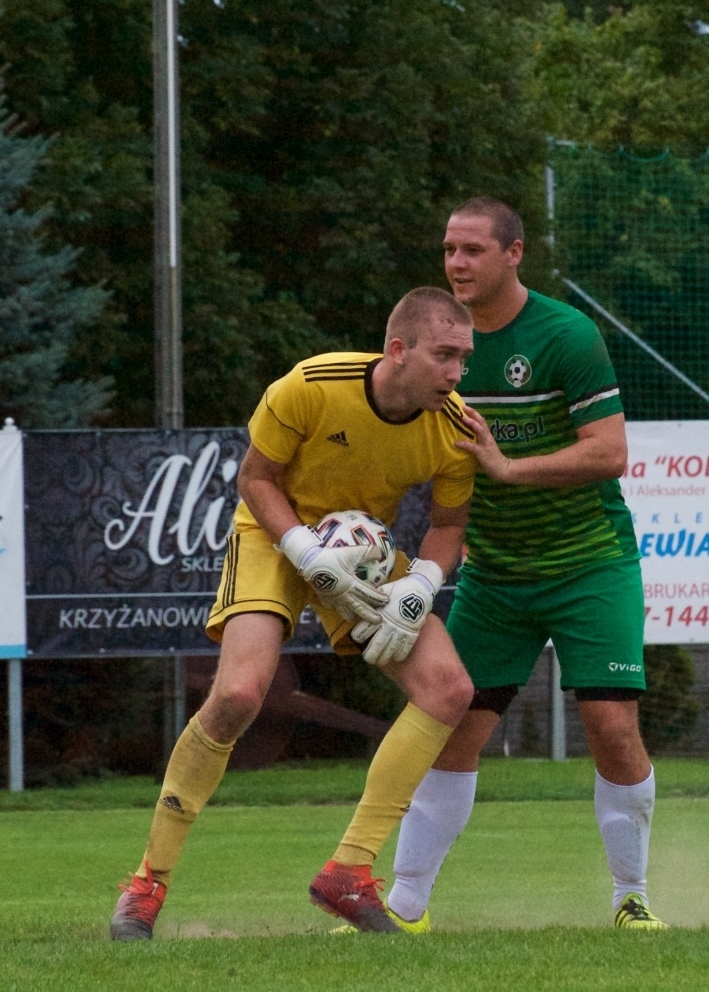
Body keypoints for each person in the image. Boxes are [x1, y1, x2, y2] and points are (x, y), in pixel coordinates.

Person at [110, 286, 479, 938]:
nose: (456, 373)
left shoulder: (455, 427)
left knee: (449, 689)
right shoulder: (311, 383)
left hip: (364, 552)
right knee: (240, 694)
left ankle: (349, 872)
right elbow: (255, 479)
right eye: (445, 355)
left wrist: (422, 581)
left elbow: (449, 523)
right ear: (399, 349)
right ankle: (146, 884)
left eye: (464, 359)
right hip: (277, 537)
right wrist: (306, 552)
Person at [383, 197, 668, 932]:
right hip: (495, 575)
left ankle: (629, 899)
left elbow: (610, 452)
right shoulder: (438, 339)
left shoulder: (566, 335)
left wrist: (509, 471)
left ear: (514, 255)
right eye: (448, 249)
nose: (456, 263)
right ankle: (403, 908)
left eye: (472, 249)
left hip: (589, 564)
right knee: (453, 729)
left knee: (610, 724)